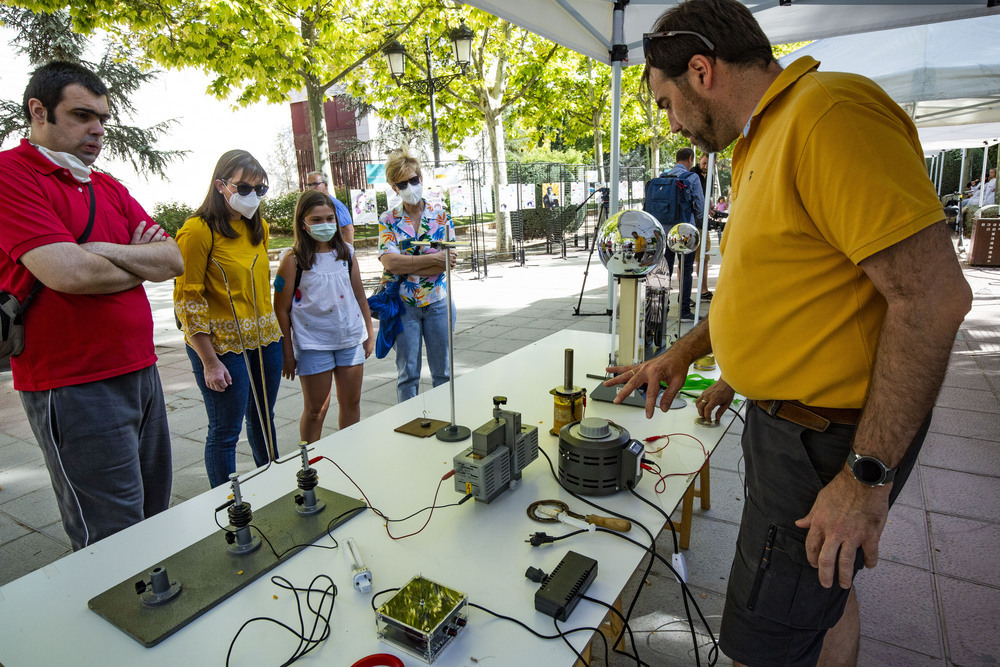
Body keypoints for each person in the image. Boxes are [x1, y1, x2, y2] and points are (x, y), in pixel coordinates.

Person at [606, 1, 972, 664]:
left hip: (828, 444)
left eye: (666, 103)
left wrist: (865, 478)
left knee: (763, 642)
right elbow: (777, 286)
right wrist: (688, 355)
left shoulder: (827, 115)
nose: (672, 123)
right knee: (826, 592)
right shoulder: (765, 135)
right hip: (796, 432)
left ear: (700, 71)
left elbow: (934, 297)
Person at [0, 61, 184, 550]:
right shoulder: (10, 175)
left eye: (102, 118)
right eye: (82, 115)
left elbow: (172, 259)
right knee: (110, 539)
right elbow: (69, 274)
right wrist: (133, 261)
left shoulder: (107, 186)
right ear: (39, 112)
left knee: (152, 516)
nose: (97, 130)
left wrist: (101, 250)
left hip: (141, 371)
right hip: (72, 384)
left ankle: (155, 614)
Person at [174, 150, 283, 488]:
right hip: (222, 347)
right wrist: (208, 361)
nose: (253, 196)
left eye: (260, 189)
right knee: (226, 430)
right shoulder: (196, 231)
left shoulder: (258, 228)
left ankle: (274, 485)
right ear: (221, 185)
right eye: (244, 188)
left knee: (264, 419)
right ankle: (227, 503)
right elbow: (187, 300)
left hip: (265, 339)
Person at [274, 190, 374, 441]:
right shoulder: (292, 260)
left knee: (352, 404)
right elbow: (281, 310)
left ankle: (347, 455)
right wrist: (287, 353)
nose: (325, 224)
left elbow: (360, 296)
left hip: (349, 341)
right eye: (316, 220)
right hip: (313, 345)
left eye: (330, 218)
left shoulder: (347, 254)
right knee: (316, 410)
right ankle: (309, 465)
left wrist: (369, 333)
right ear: (303, 223)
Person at [377, 147, 457, 402]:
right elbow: (389, 262)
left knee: (443, 373)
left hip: (437, 302)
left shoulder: (441, 216)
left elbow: (446, 263)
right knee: (408, 374)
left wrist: (407, 263)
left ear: (421, 179)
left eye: (414, 180)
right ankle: (409, 426)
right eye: (403, 183)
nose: (410, 186)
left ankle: (445, 421)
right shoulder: (388, 219)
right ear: (394, 187)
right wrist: (430, 259)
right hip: (404, 306)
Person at [661, 147, 705, 321]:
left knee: (665, 270)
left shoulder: (663, 177)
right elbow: (700, 205)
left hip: (665, 231)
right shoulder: (692, 177)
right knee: (686, 270)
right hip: (685, 231)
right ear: (690, 159)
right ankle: (684, 310)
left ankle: (662, 308)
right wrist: (699, 220)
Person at [305, 170, 355, 244]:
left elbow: (348, 230)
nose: (312, 188)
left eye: (316, 184)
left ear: (325, 185)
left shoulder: (335, 205)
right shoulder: (313, 205)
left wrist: (347, 253)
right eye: (309, 185)